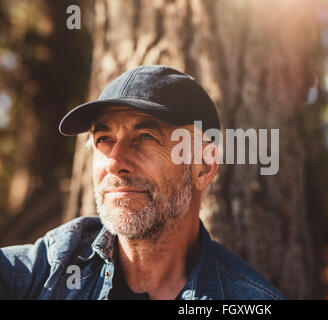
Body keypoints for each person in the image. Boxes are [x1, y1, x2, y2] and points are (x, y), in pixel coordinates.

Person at [0, 65, 284, 300]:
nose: (115, 161)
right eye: (104, 140)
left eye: (146, 137)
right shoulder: (52, 266)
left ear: (203, 166)